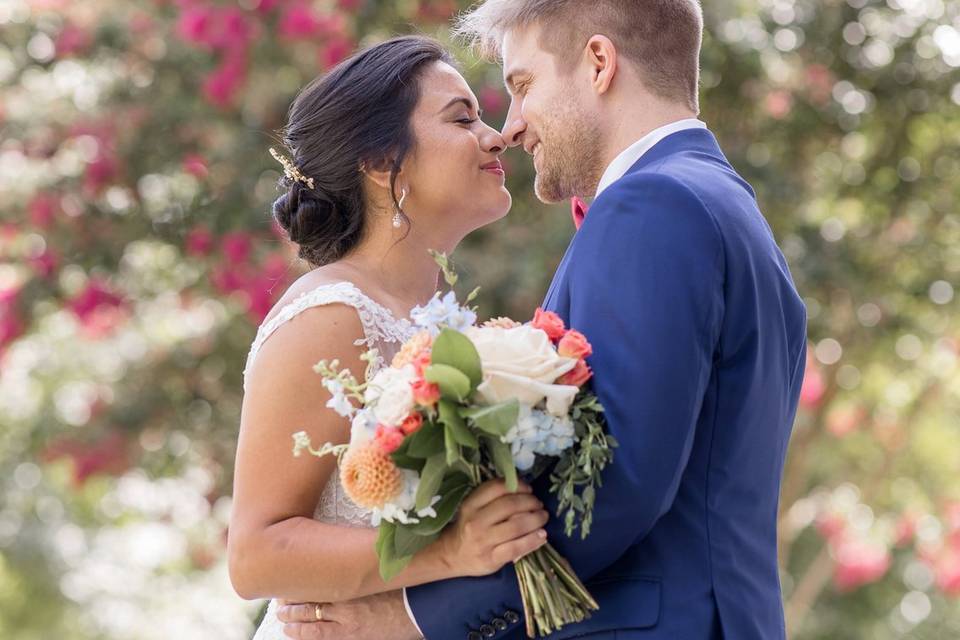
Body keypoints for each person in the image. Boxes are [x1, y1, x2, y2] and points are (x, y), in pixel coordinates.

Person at [280, 1, 808, 639]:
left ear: (598, 62)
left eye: (523, 85)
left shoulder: (652, 204)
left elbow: (620, 485)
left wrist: (415, 620)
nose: (513, 126)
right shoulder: (722, 203)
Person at [228, 35, 551, 640]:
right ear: (379, 162)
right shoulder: (332, 314)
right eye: (463, 119)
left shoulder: (443, 319)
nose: (497, 136)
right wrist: (450, 552)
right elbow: (254, 555)